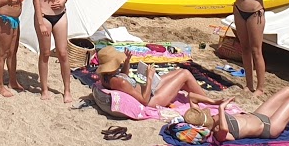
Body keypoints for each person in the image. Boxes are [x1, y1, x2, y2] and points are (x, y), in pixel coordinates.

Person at [94, 47, 223, 108]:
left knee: (181, 72)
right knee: (185, 75)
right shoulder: (119, 82)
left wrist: (127, 62)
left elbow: (124, 77)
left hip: (148, 90)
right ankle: (209, 102)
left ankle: (205, 99)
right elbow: (144, 101)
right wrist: (149, 78)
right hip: (151, 99)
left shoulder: (107, 77)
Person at [228, 0, 277, 96]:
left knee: (256, 50)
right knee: (245, 49)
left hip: (255, 13)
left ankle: (260, 88)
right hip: (239, 10)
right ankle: (249, 85)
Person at [32, 0, 74, 103]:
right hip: (45, 15)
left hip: (60, 15)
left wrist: (64, 0)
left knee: (63, 53)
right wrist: (41, 22)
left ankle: (67, 90)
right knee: (45, 53)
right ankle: (44, 88)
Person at [211, 88, 289, 142]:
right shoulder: (219, 133)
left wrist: (214, 102)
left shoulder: (212, 119)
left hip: (258, 115)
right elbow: (223, 132)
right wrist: (221, 108)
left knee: (288, 91)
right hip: (269, 127)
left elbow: (194, 100)